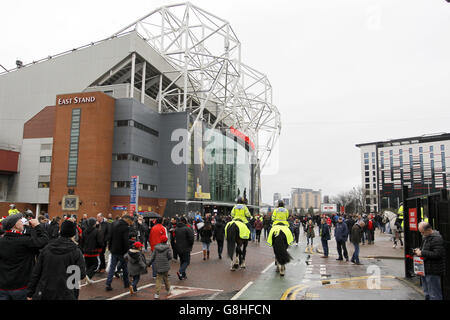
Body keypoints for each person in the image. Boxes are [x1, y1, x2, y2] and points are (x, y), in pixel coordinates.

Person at [27, 219, 86, 300]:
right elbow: (81, 274)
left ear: (60, 231)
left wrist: (30, 292)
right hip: (66, 293)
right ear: (73, 234)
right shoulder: (76, 252)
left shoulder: (47, 248)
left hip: (45, 291)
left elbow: (37, 272)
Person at [0, 213, 49, 300]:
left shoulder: (2, 241)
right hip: (20, 286)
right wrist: (37, 226)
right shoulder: (24, 241)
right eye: (20, 221)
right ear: (15, 225)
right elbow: (44, 240)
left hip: (2, 286)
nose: (22, 222)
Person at [414, 222, 446, 300]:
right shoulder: (426, 237)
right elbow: (426, 249)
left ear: (428, 230)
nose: (422, 234)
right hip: (425, 269)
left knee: (434, 294)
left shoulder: (436, 238)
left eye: (422, 232)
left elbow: (438, 254)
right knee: (427, 292)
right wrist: (419, 250)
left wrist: (422, 252)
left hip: (433, 270)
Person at [105, 215, 133, 291]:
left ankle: (108, 283)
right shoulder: (125, 227)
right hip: (121, 251)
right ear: (127, 219)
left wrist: (110, 247)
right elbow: (125, 240)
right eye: (131, 221)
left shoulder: (114, 224)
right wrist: (127, 250)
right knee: (125, 268)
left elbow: (109, 236)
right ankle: (126, 283)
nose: (131, 223)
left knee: (112, 267)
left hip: (113, 249)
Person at [148, 234, 173, 299]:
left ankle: (157, 293)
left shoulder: (156, 248)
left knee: (158, 279)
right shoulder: (168, 248)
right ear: (166, 241)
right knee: (166, 278)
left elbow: (152, 257)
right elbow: (170, 257)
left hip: (158, 265)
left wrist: (148, 264)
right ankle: (168, 290)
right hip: (165, 265)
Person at [80, 218, 104, 284]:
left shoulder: (84, 231)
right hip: (94, 252)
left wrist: (82, 249)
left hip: (86, 251)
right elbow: (100, 242)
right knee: (96, 265)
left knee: (88, 265)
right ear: (93, 224)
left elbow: (82, 242)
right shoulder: (97, 231)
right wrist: (101, 247)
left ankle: (88, 279)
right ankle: (88, 275)